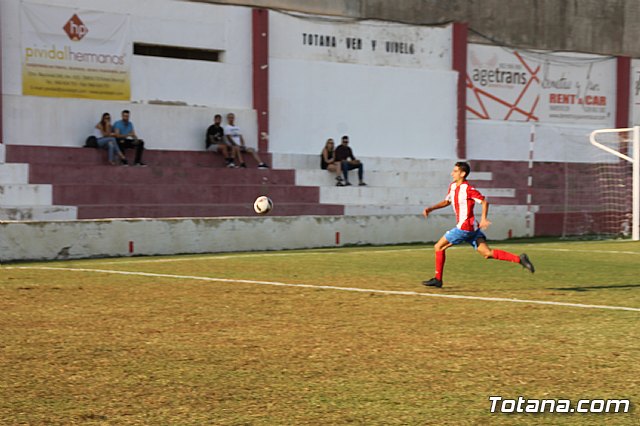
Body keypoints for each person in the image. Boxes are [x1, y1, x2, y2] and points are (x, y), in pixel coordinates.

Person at [421, 161, 534, 288]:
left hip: (465, 228)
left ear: (463, 174)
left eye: (455, 171)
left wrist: (484, 218)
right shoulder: (453, 186)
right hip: (472, 228)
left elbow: (484, 202)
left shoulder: (468, 189)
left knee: (439, 247)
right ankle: (520, 259)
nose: (452, 173)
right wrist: (431, 208)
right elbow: (447, 201)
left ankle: (438, 279)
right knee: (487, 253)